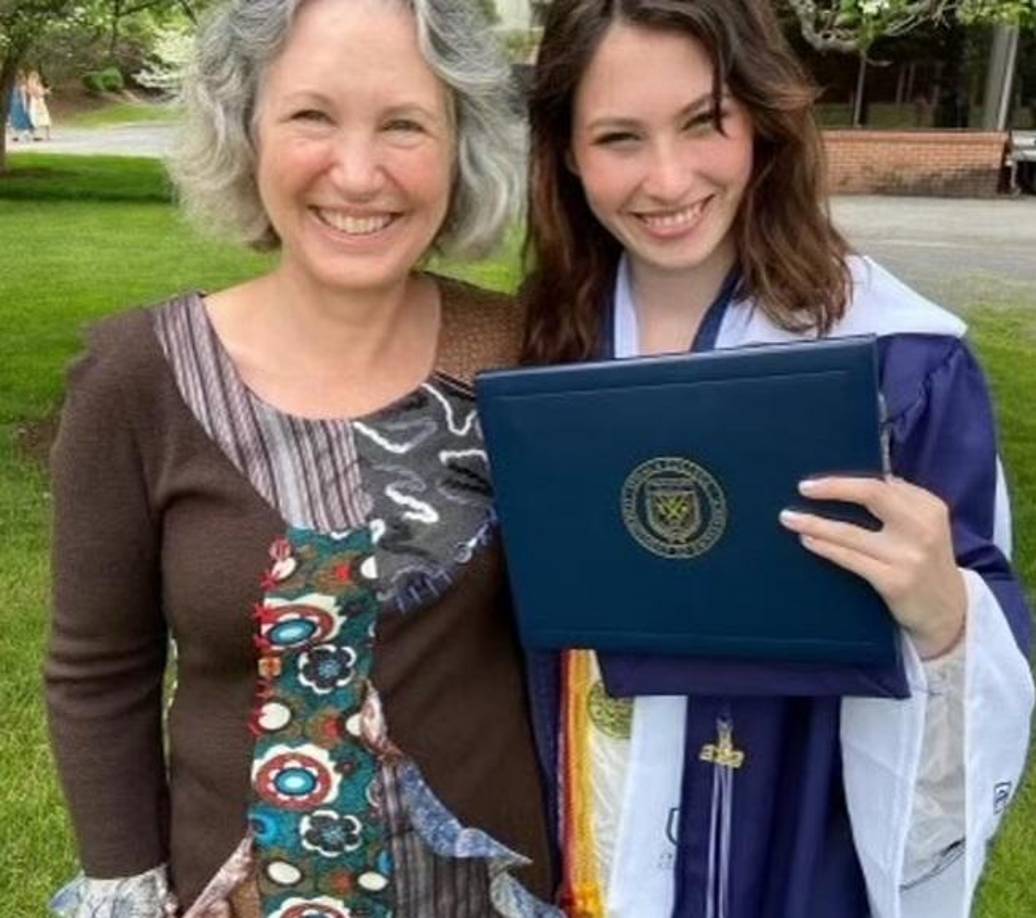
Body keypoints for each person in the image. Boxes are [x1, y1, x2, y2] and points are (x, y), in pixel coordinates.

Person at [45, 0, 562, 916]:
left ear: (459, 143)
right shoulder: (142, 377)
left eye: (405, 123)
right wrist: (128, 889)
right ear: (246, 131)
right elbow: (99, 670)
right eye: (311, 116)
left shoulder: (525, 361)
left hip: (495, 890)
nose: (357, 174)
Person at [522, 1, 1033, 916]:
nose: (667, 178)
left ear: (761, 117)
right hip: (575, 842)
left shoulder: (900, 365)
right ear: (565, 151)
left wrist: (947, 618)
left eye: (703, 122)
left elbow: (986, 644)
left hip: (790, 854)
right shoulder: (543, 354)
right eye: (618, 137)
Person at [7, 71, 34, 142]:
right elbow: (23, 98)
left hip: (14, 105)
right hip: (19, 106)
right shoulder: (21, 86)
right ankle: (23, 135)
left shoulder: (13, 86)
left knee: (15, 120)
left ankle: (16, 135)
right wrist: (25, 108)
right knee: (22, 120)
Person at [26, 69, 52, 141]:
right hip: (37, 102)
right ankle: (36, 135)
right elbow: (37, 95)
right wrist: (45, 92)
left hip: (39, 101)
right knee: (36, 118)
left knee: (44, 117)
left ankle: (46, 135)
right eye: (36, 77)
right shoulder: (32, 84)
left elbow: (41, 92)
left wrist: (45, 91)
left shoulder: (37, 84)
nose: (38, 78)